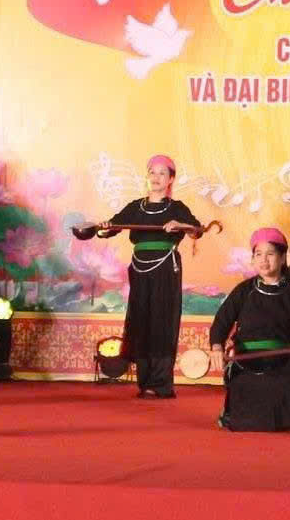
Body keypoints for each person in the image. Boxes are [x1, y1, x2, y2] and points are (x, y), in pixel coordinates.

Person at [99, 154, 203, 398]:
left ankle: (161, 383)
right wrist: (103, 229)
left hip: (166, 268)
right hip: (140, 268)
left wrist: (181, 225)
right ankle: (145, 382)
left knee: (162, 321)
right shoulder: (136, 206)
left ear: (171, 179)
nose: (156, 177)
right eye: (152, 172)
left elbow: (197, 230)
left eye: (162, 173)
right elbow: (112, 226)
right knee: (141, 320)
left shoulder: (176, 208)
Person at [209, 228, 290, 432]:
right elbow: (221, 322)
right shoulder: (243, 291)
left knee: (281, 423)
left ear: (282, 258)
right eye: (258, 254)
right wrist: (217, 346)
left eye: (270, 254)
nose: (264, 260)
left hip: (281, 365)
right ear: (253, 259)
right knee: (243, 423)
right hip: (246, 365)